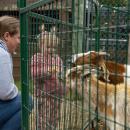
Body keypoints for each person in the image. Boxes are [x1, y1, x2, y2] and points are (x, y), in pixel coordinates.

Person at [0, 15, 31, 130]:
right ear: (7, 36)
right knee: (27, 100)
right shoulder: (2, 54)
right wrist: (16, 91)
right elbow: (5, 93)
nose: (19, 42)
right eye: (18, 38)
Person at [31, 24, 64, 129]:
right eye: (48, 47)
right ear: (40, 45)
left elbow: (61, 74)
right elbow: (34, 74)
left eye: (54, 48)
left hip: (56, 95)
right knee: (43, 119)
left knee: (55, 118)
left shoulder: (57, 59)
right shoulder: (36, 58)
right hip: (42, 95)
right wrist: (48, 71)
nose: (51, 50)